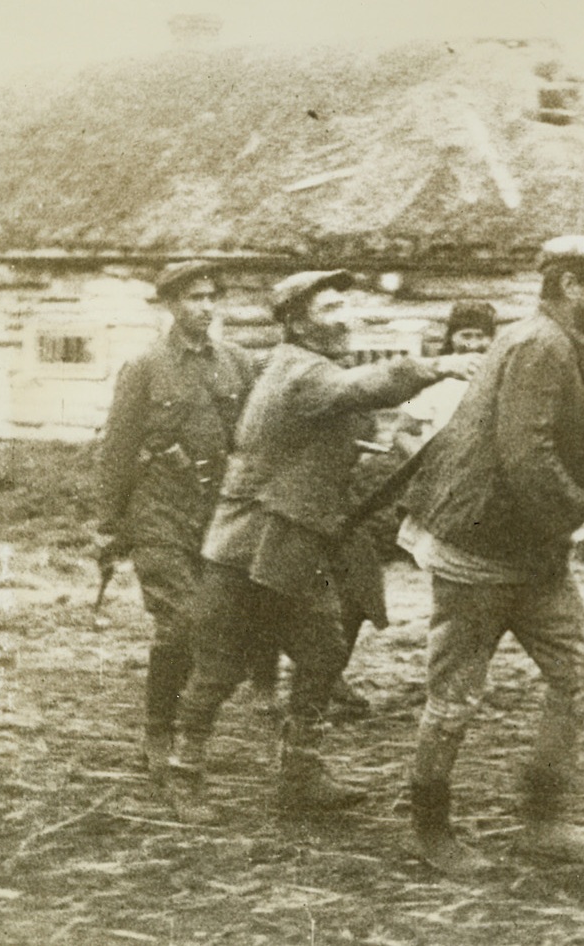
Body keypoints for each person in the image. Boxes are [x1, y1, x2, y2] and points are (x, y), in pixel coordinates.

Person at [167, 270, 476, 822]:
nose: (345, 317)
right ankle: (183, 772)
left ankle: (300, 771)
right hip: (251, 542)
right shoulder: (301, 372)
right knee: (221, 663)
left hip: (295, 541)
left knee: (324, 649)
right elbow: (357, 390)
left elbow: (339, 421)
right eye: (331, 308)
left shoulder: (310, 367)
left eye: (344, 306)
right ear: (297, 322)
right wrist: (437, 366)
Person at [396, 235, 584, 875]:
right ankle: (429, 830)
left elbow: (544, 452)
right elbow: (526, 456)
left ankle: (543, 821)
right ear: (567, 283)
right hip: (477, 553)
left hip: (531, 557)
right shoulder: (539, 344)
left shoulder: (561, 346)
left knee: (578, 675)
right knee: (455, 697)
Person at [96, 260, 258, 782]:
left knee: (213, 623)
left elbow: (254, 437)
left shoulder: (237, 363)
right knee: (181, 621)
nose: (205, 306)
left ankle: (186, 726)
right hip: (158, 510)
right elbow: (118, 449)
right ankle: (158, 729)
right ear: (170, 304)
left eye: (212, 296)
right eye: (193, 298)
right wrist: (110, 522)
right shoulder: (145, 366)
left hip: (216, 515)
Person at [396, 300, 498, 452]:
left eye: (481, 336)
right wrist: (425, 464)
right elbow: (402, 432)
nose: (474, 344)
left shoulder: (501, 374)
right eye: (466, 336)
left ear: (492, 338)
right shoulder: (433, 377)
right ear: (452, 337)